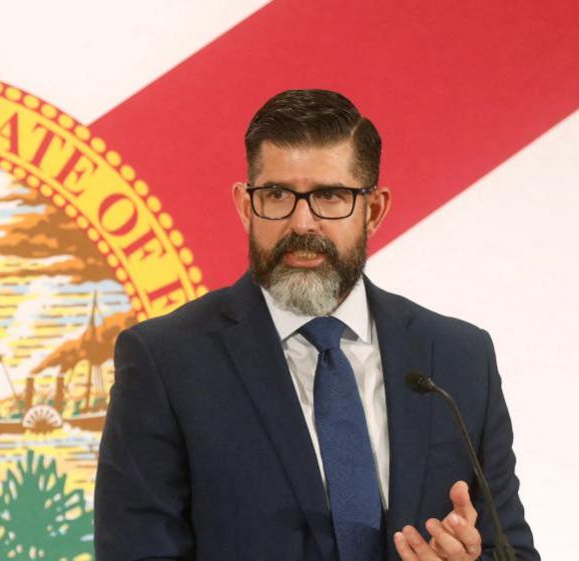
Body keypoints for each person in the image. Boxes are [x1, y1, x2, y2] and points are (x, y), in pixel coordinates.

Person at [95, 90, 538, 561]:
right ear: (246, 206)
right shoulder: (168, 361)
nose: (301, 222)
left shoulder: (458, 359)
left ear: (375, 210)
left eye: (330, 196)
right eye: (277, 195)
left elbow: (511, 550)